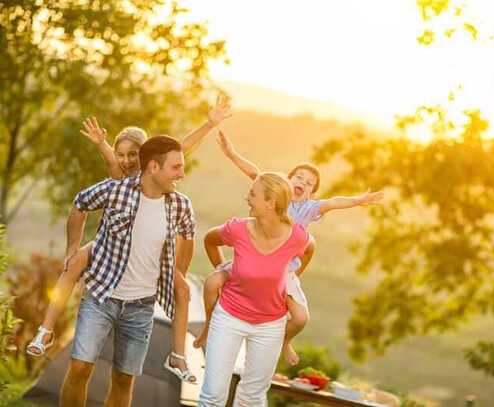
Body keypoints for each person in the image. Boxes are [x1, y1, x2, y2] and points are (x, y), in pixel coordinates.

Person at [27, 96, 231, 381]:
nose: (126, 161)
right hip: (108, 245)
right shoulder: (119, 180)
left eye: (133, 155)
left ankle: (179, 355)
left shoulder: (161, 178)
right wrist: (72, 247)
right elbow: (88, 193)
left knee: (183, 290)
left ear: (147, 159)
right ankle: (46, 330)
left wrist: (209, 124)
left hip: (147, 264)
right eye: (121, 155)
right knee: (72, 266)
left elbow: (180, 148)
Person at [194, 131, 383, 365]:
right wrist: (232, 154)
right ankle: (208, 328)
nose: (302, 183)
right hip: (253, 261)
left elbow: (333, 202)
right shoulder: (274, 192)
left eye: (309, 183)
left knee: (301, 318)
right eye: (299, 177)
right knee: (212, 282)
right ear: (287, 180)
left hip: (282, 272)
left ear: (312, 194)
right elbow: (254, 172)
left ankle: (283, 341)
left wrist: (357, 200)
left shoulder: (309, 208)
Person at [59, 135, 195, 407]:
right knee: (78, 369)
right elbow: (80, 202)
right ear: (154, 167)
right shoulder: (119, 190)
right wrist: (73, 248)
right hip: (100, 298)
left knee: (124, 379)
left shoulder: (180, 204)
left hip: (141, 307)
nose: (181, 173)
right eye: (176, 167)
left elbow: (188, 237)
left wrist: (177, 273)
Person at [199, 172, 314, 406]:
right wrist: (224, 270)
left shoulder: (297, 237)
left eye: (253, 194)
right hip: (229, 317)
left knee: (252, 398)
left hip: (270, 326)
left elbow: (310, 248)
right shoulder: (238, 229)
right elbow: (210, 240)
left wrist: (291, 277)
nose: (247, 198)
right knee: (213, 395)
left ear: (271, 203)